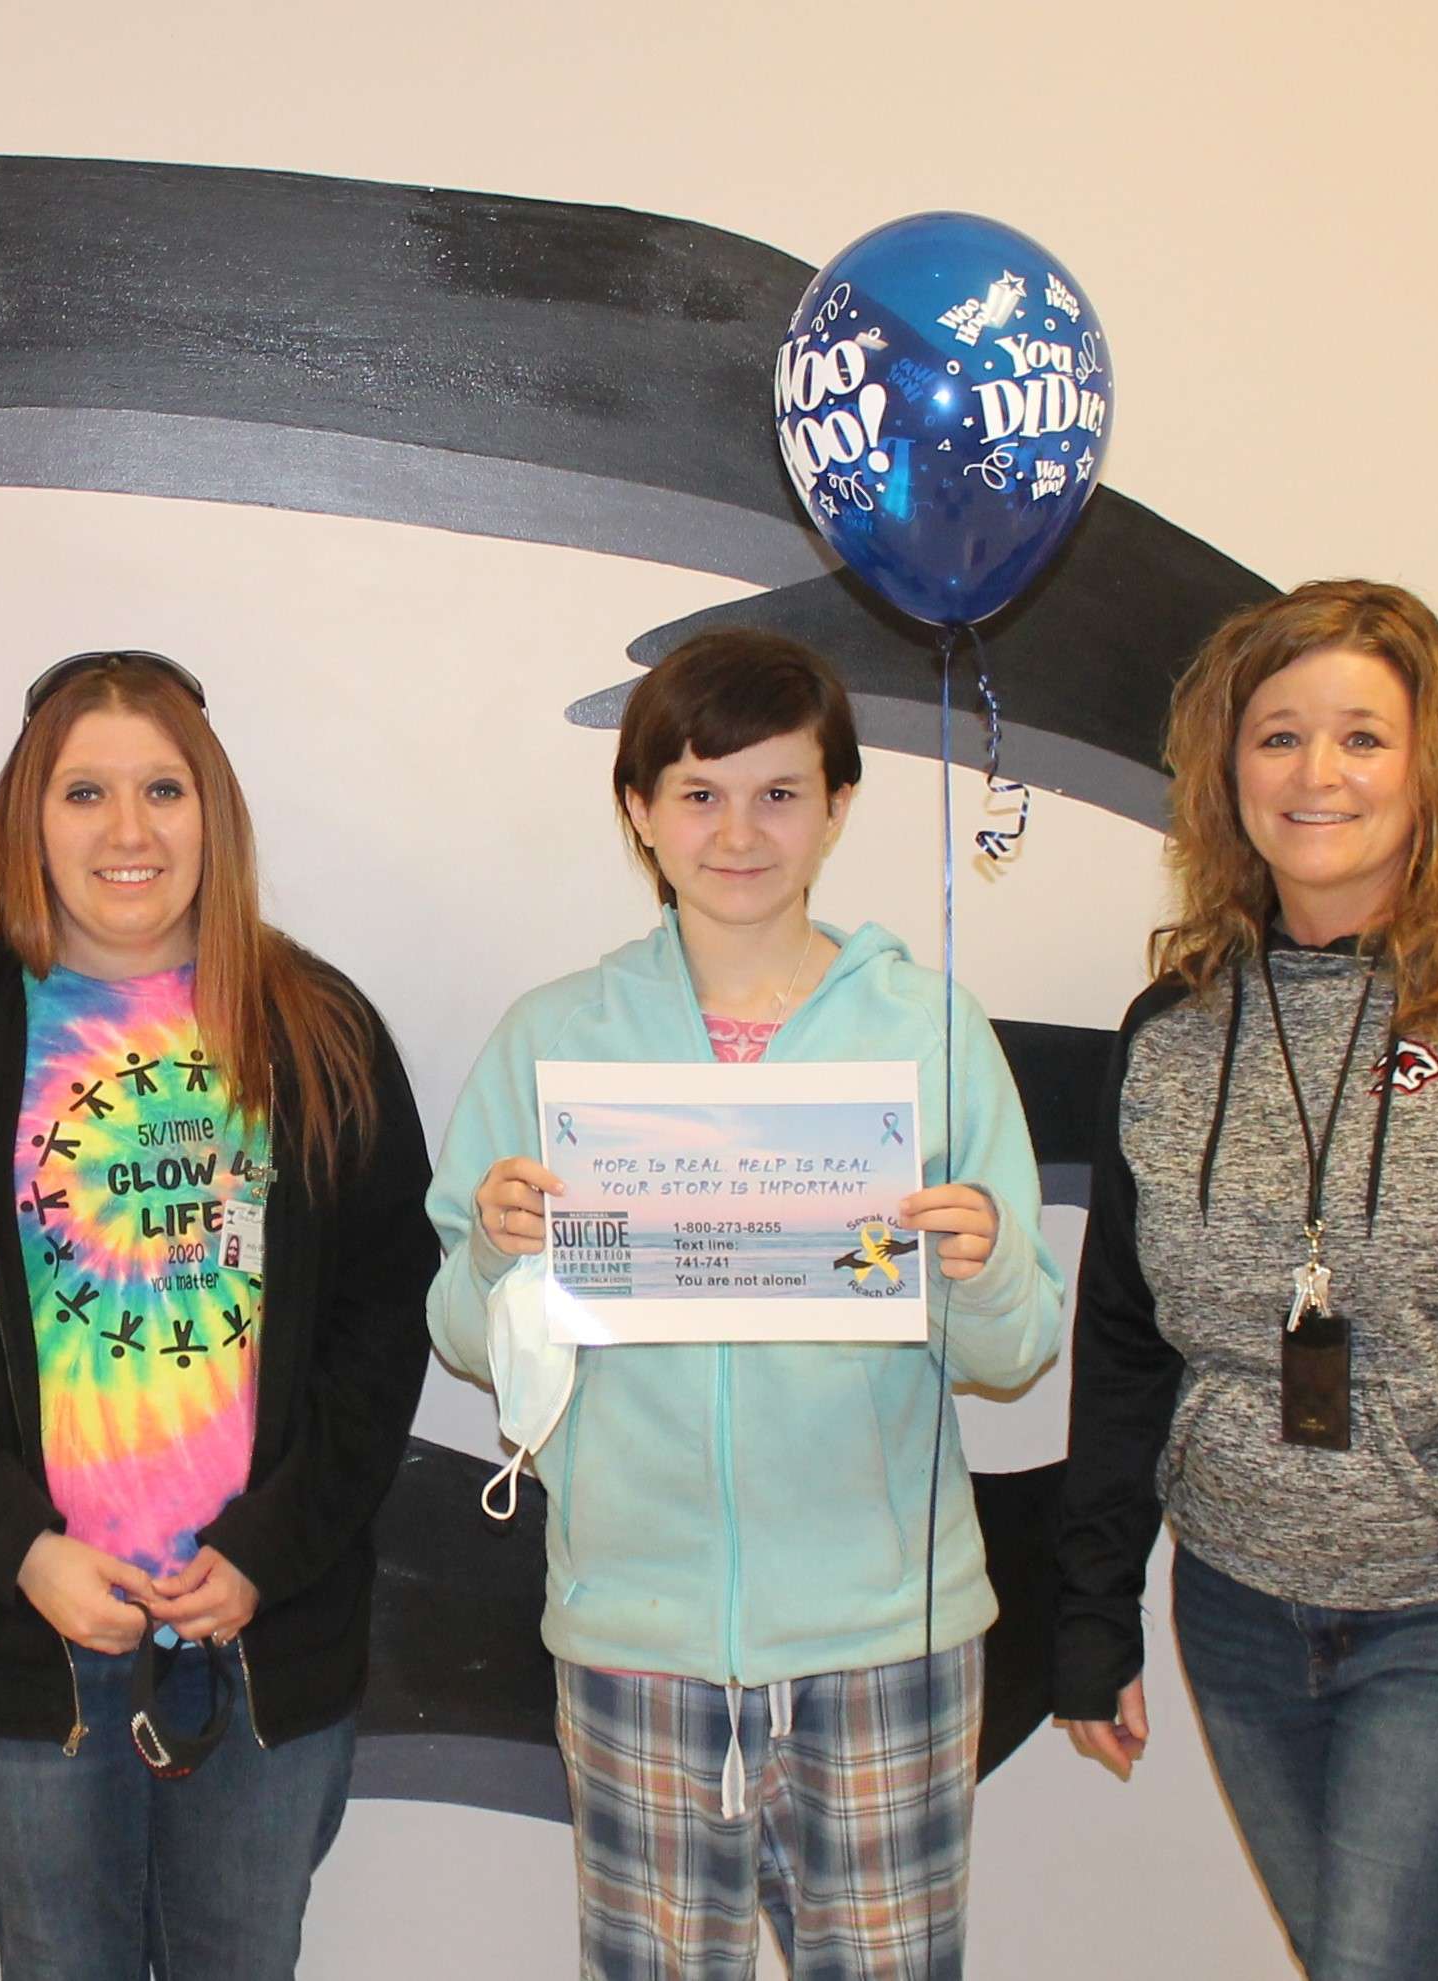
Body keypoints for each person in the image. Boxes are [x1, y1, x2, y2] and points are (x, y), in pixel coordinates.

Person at [425, 627, 1065, 1980]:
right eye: (699, 792)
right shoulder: (555, 1036)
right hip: (635, 1640)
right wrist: (493, 1252)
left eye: (780, 792)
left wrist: (983, 1261)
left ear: (838, 805)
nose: (739, 831)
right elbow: (465, 1332)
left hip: (887, 1640)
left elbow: (1015, 1349)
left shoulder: (931, 1029)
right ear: (639, 813)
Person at [1052, 579, 1438, 1978]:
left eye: (1362, 738)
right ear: (1226, 772)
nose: (1316, 773)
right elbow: (1127, 1339)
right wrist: (1093, 1611)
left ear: (1431, 764)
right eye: (1276, 736)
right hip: (1242, 1602)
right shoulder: (1174, 1030)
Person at [0, 649, 437, 1979]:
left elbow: (384, 1322)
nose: (127, 829)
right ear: (26, 820)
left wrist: (269, 1547)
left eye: (163, 788)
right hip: (25, 1641)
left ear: (212, 808)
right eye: (83, 790)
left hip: (261, 1634)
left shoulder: (318, 1026)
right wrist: (21, 1549)